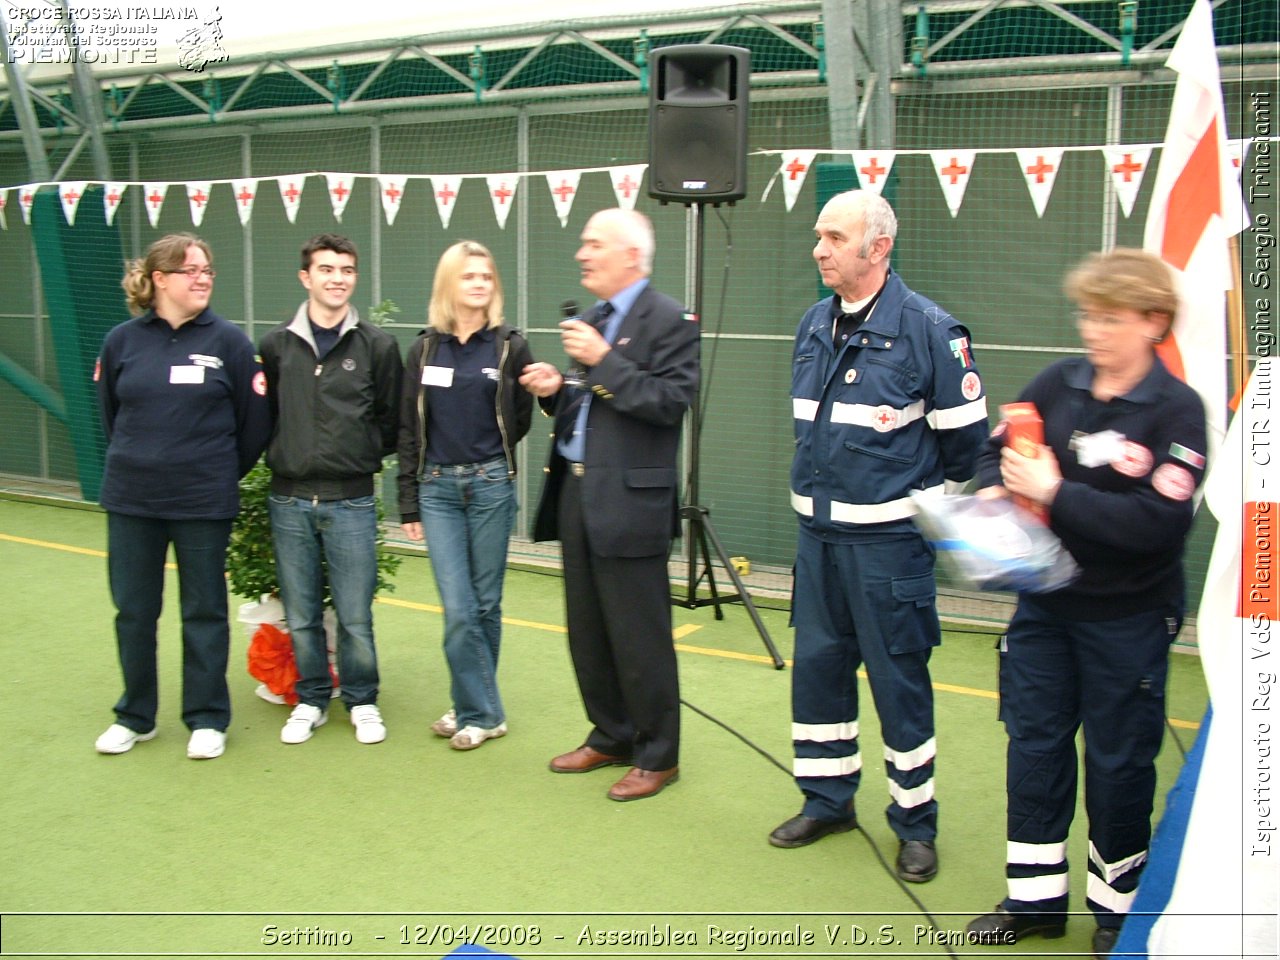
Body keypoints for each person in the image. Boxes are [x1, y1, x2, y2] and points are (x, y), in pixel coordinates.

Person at [965, 249, 1207, 958]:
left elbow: (1156, 525)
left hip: (1128, 618)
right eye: (1086, 315)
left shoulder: (1177, 411)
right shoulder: (1059, 382)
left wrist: (1054, 493)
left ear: (1154, 323)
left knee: (1120, 760)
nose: (1093, 330)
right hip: (1044, 609)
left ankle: (1116, 909)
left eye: (1110, 317)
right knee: (1033, 747)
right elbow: (995, 448)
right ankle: (1034, 899)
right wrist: (992, 489)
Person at [769, 190, 989, 883]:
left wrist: (911, 512)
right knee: (819, 679)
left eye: (835, 238)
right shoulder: (812, 324)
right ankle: (827, 800)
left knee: (900, 687)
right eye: (818, 237)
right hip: (818, 541)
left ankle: (915, 825)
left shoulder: (931, 331)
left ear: (879, 248)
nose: (820, 250)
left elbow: (967, 452)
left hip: (889, 551)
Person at [519, 207, 699, 802]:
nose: (581, 254)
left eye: (593, 244)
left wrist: (603, 362)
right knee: (588, 629)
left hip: (630, 502)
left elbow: (668, 402)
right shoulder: (596, 318)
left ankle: (658, 754)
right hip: (577, 490)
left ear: (630, 255)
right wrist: (556, 391)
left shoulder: (670, 319)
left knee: (638, 633)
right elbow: (590, 404)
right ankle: (612, 734)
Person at [94, 233, 271, 760]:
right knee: (134, 610)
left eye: (208, 270)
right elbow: (110, 415)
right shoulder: (121, 341)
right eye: (190, 269)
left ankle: (207, 718)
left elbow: (255, 423)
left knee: (204, 611)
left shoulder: (231, 344)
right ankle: (135, 716)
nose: (202, 278)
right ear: (159, 279)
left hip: (202, 503)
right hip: (131, 501)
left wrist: (213, 471)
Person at [259, 234, 402, 746]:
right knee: (300, 614)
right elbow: (266, 416)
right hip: (288, 499)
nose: (337, 278)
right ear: (306, 277)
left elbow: (391, 421)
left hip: (352, 500)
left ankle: (362, 700)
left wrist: (355, 455)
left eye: (346, 269)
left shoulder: (378, 346)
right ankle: (312, 699)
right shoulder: (276, 345)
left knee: (355, 614)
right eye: (326, 269)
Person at [397, 241, 534, 750]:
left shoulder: (509, 346)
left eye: (487, 276)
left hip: (492, 485)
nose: (479, 283)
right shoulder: (424, 349)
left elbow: (518, 418)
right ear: (448, 284)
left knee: (485, 604)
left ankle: (469, 708)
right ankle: (485, 710)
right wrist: (408, 499)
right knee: (459, 608)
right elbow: (408, 427)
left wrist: (487, 459)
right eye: (468, 275)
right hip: (436, 490)